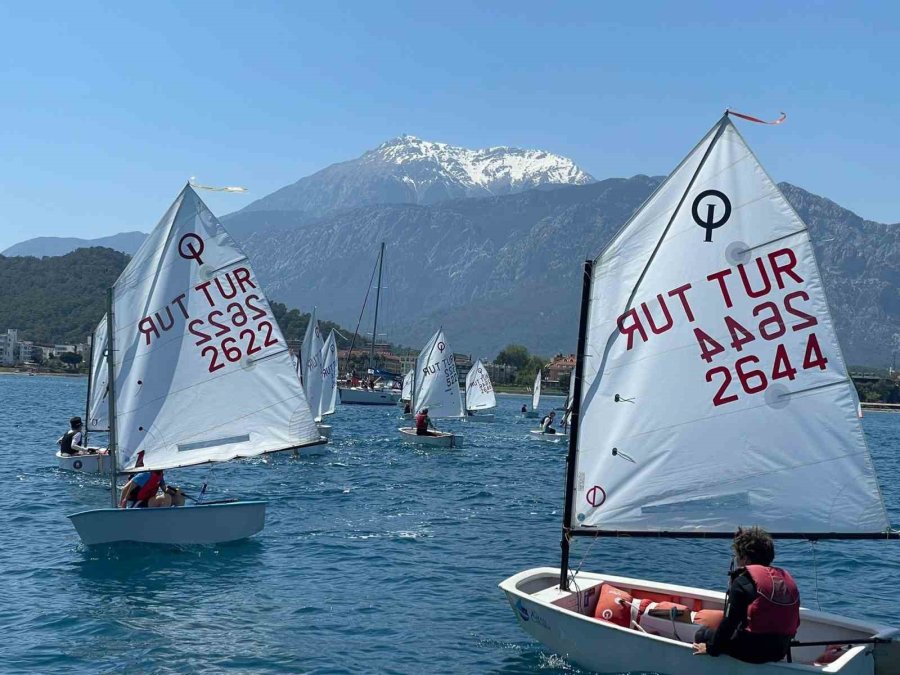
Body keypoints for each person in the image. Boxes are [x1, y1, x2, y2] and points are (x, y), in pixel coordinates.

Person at [693, 526, 800, 664]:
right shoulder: (784, 580)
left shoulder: (742, 582)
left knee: (703, 634)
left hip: (751, 653)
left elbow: (729, 624)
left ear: (746, 559)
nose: (737, 560)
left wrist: (711, 648)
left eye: (738, 556)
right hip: (780, 651)